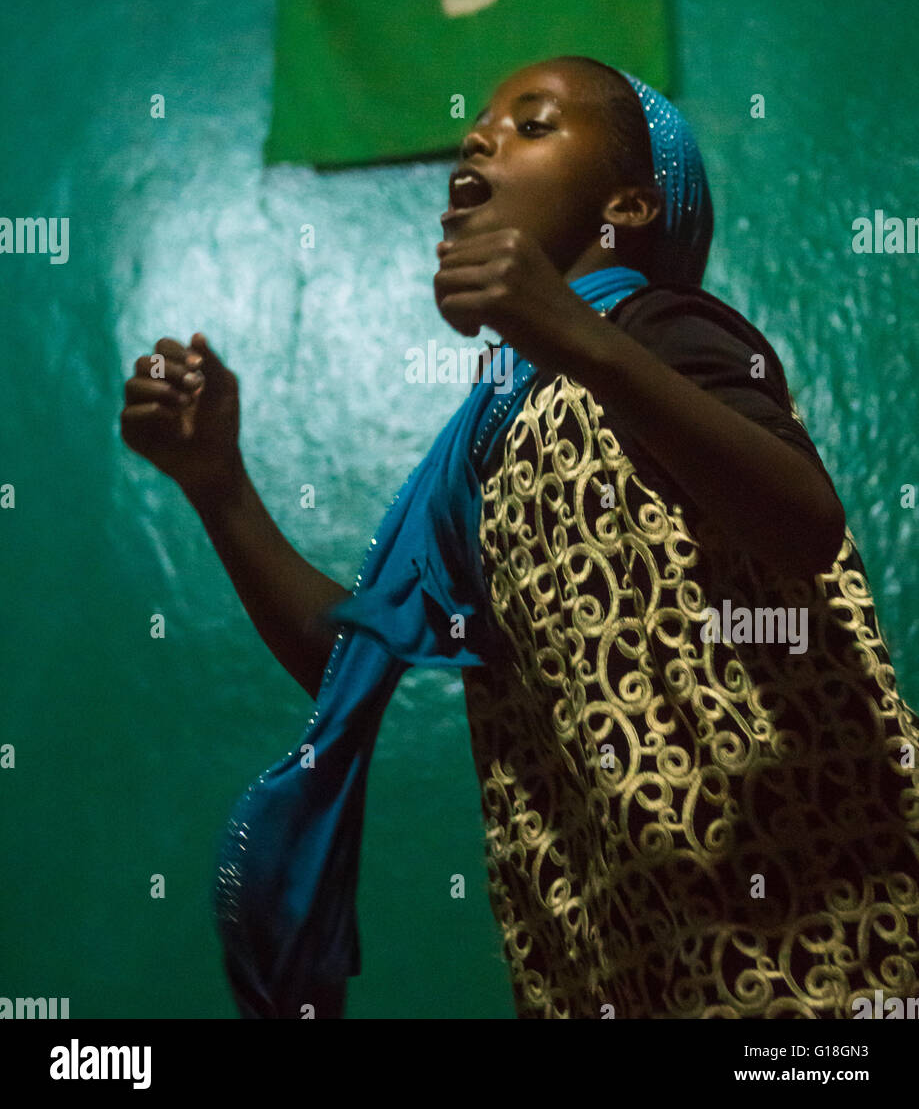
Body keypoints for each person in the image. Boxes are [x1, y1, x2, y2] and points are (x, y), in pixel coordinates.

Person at [121, 56, 919, 1019]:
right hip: (611, 954)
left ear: (627, 204)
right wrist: (219, 488)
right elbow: (347, 658)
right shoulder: (484, 447)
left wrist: (574, 334)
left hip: (805, 934)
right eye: (484, 122)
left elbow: (803, 522)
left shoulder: (664, 330)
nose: (478, 137)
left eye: (533, 124)